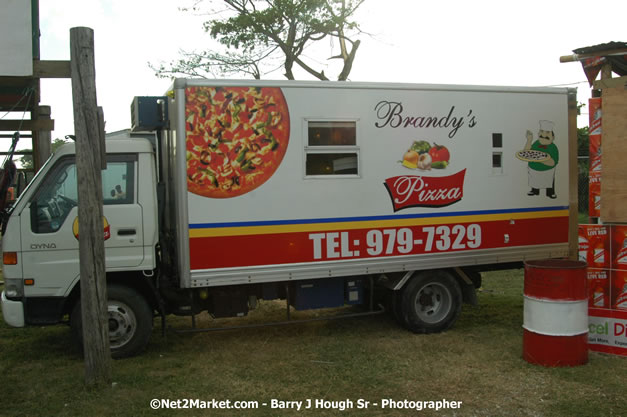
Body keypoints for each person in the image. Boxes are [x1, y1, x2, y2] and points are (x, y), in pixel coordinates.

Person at [523, 120, 559, 199]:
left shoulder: (553, 147)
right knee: (534, 180)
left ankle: (550, 192)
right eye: (542, 133)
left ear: (553, 137)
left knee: (549, 181)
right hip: (533, 169)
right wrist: (529, 140)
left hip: (547, 170)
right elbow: (526, 152)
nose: (544, 135)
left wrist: (541, 159)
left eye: (547, 133)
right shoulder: (536, 143)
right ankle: (534, 190)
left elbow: (553, 162)